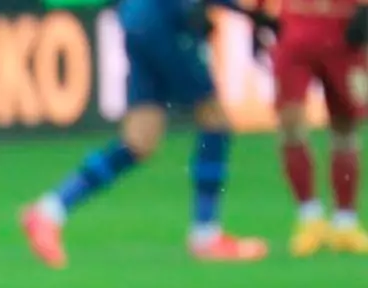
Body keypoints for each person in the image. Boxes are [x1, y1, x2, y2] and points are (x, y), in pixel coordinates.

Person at [20, 0, 272, 267]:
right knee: (215, 120)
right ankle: (206, 234)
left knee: (139, 139)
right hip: (167, 20)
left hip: (137, 18)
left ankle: (49, 210)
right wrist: (247, 14)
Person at [270, 0, 368, 254]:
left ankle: (345, 222)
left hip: (344, 30)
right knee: (290, 122)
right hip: (296, 29)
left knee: (345, 127)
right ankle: (309, 218)